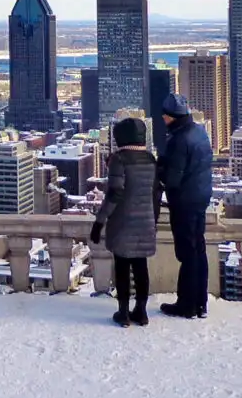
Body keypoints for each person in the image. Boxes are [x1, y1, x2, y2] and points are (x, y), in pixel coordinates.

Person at [90, 117, 160, 327]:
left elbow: (114, 194)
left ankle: (123, 313)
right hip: (146, 221)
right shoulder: (150, 159)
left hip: (123, 222)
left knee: (122, 267)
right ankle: (141, 311)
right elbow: (156, 194)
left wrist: (99, 222)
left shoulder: (119, 160)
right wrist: (153, 219)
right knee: (141, 267)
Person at [156, 93, 213, 319]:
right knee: (198, 249)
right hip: (200, 197)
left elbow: (172, 179)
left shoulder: (179, 140)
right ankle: (201, 303)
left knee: (187, 253)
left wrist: (160, 169)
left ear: (170, 117)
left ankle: (187, 305)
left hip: (184, 202)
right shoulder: (199, 131)